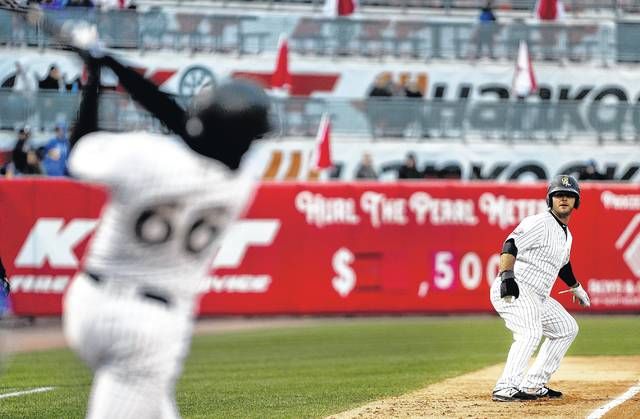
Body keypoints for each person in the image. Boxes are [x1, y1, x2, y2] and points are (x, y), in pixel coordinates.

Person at [61, 28, 271, 419]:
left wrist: (96, 74)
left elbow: (79, 149)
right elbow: (184, 125)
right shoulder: (241, 183)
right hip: (149, 326)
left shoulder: (147, 156)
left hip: (89, 301)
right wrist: (112, 67)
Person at [490, 174, 590, 402]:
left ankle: (534, 384)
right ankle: (505, 387)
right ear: (550, 199)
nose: (563, 199)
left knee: (567, 328)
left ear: (576, 202)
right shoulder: (539, 222)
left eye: (569, 195)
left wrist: (576, 287)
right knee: (530, 332)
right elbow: (510, 244)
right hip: (518, 287)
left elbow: (563, 264)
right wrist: (507, 276)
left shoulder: (567, 234)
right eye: (558, 195)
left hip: (538, 296)